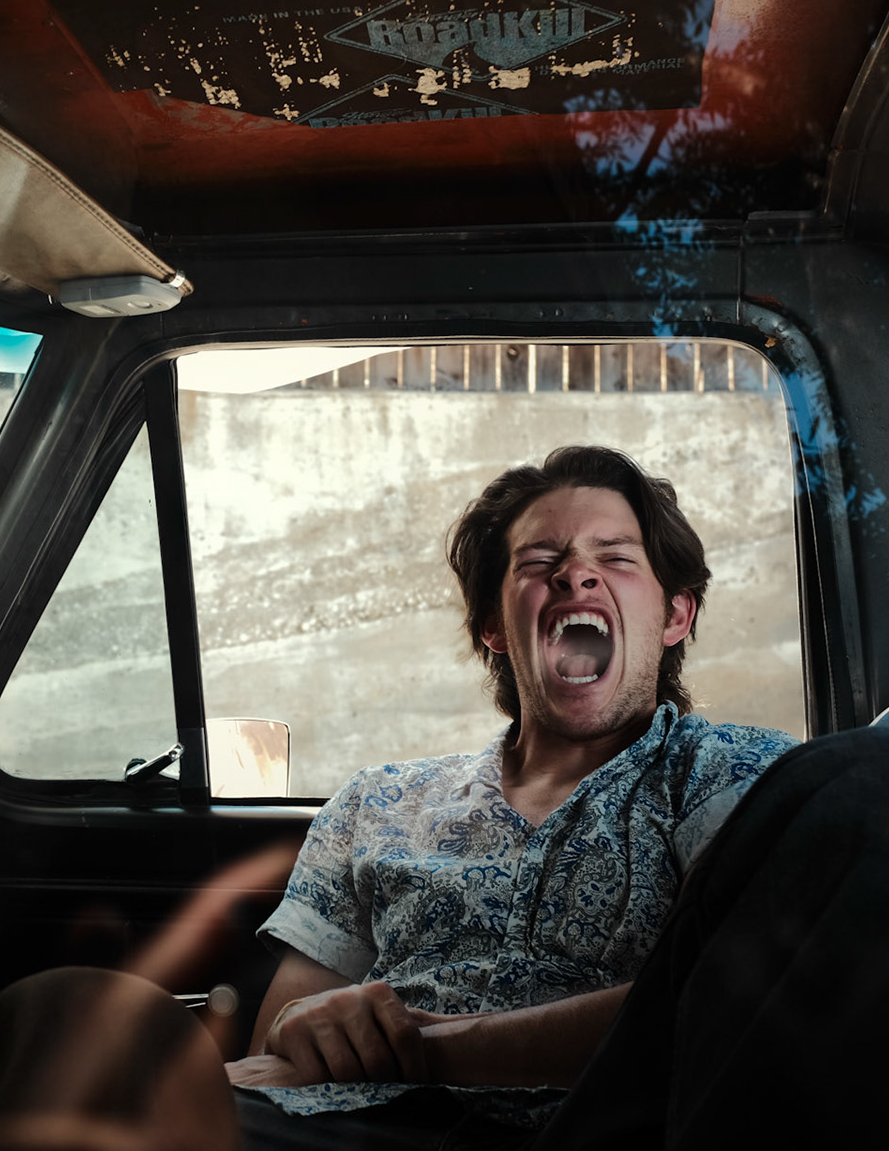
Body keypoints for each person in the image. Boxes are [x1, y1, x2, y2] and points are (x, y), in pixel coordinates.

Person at [222, 446, 798, 1148]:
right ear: (493, 626)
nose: (574, 572)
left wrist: (427, 1048)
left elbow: (731, 1007)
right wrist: (301, 1028)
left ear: (676, 615)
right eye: (539, 560)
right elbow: (273, 1063)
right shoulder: (375, 802)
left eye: (615, 557)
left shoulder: (740, 776)